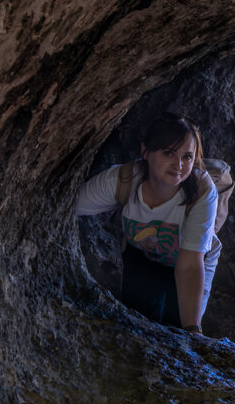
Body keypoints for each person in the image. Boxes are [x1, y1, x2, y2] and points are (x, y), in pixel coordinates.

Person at [76, 114, 220, 334]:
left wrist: (192, 330)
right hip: (145, 257)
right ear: (146, 151)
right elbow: (65, 206)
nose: (179, 165)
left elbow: (190, 264)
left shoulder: (202, 192)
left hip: (194, 261)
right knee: (138, 326)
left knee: (179, 331)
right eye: (168, 153)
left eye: (188, 157)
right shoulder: (121, 181)